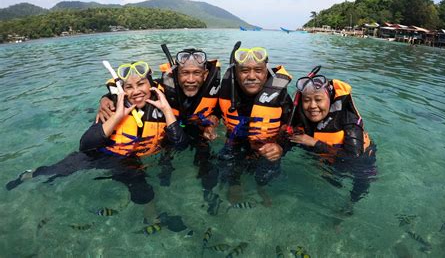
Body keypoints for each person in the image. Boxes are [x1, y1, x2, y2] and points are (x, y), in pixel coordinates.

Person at [6, 61, 186, 223]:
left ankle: (151, 218)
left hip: (130, 162)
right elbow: (85, 145)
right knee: (57, 170)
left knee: (143, 190)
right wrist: (116, 117)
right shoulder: (112, 106)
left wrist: (167, 111)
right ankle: (28, 175)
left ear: (151, 84)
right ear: (123, 90)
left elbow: (180, 144)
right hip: (101, 155)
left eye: (141, 84)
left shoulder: (164, 106)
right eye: (129, 87)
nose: (136, 91)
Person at [98, 49, 222, 214]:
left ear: (205, 74)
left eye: (196, 73)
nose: (190, 79)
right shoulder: (164, 87)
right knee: (164, 161)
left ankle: (209, 193)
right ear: (177, 73)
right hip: (171, 133)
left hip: (198, 130)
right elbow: (133, 90)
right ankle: (163, 183)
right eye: (185, 73)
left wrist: (214, 121)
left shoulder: (216, 89)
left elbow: (221, 110)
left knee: (207, 161)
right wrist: (105, 99)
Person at [288, 69, 377, 206]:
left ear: (329, 99)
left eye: (318, 99)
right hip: (328, 159)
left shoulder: (348, 120)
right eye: (307, 100)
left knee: (360, 182)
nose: (312, 106)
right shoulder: (302, 116)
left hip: (360, 163)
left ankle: (349, 207)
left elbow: (354, 160)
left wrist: (314, 143)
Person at [217, 46, 293, 205]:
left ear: (266, 72)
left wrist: (280, 147)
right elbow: (215, 113)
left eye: (258, 70)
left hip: (265, 144)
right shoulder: (227, 89)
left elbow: (291, 130)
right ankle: (235, 184)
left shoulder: (279, 96)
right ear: (236, 74)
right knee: (226, 165)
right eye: (244, 70)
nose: (251, 76)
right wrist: (210, 123)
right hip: (236, 139)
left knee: (267, 175)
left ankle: (261, 188)